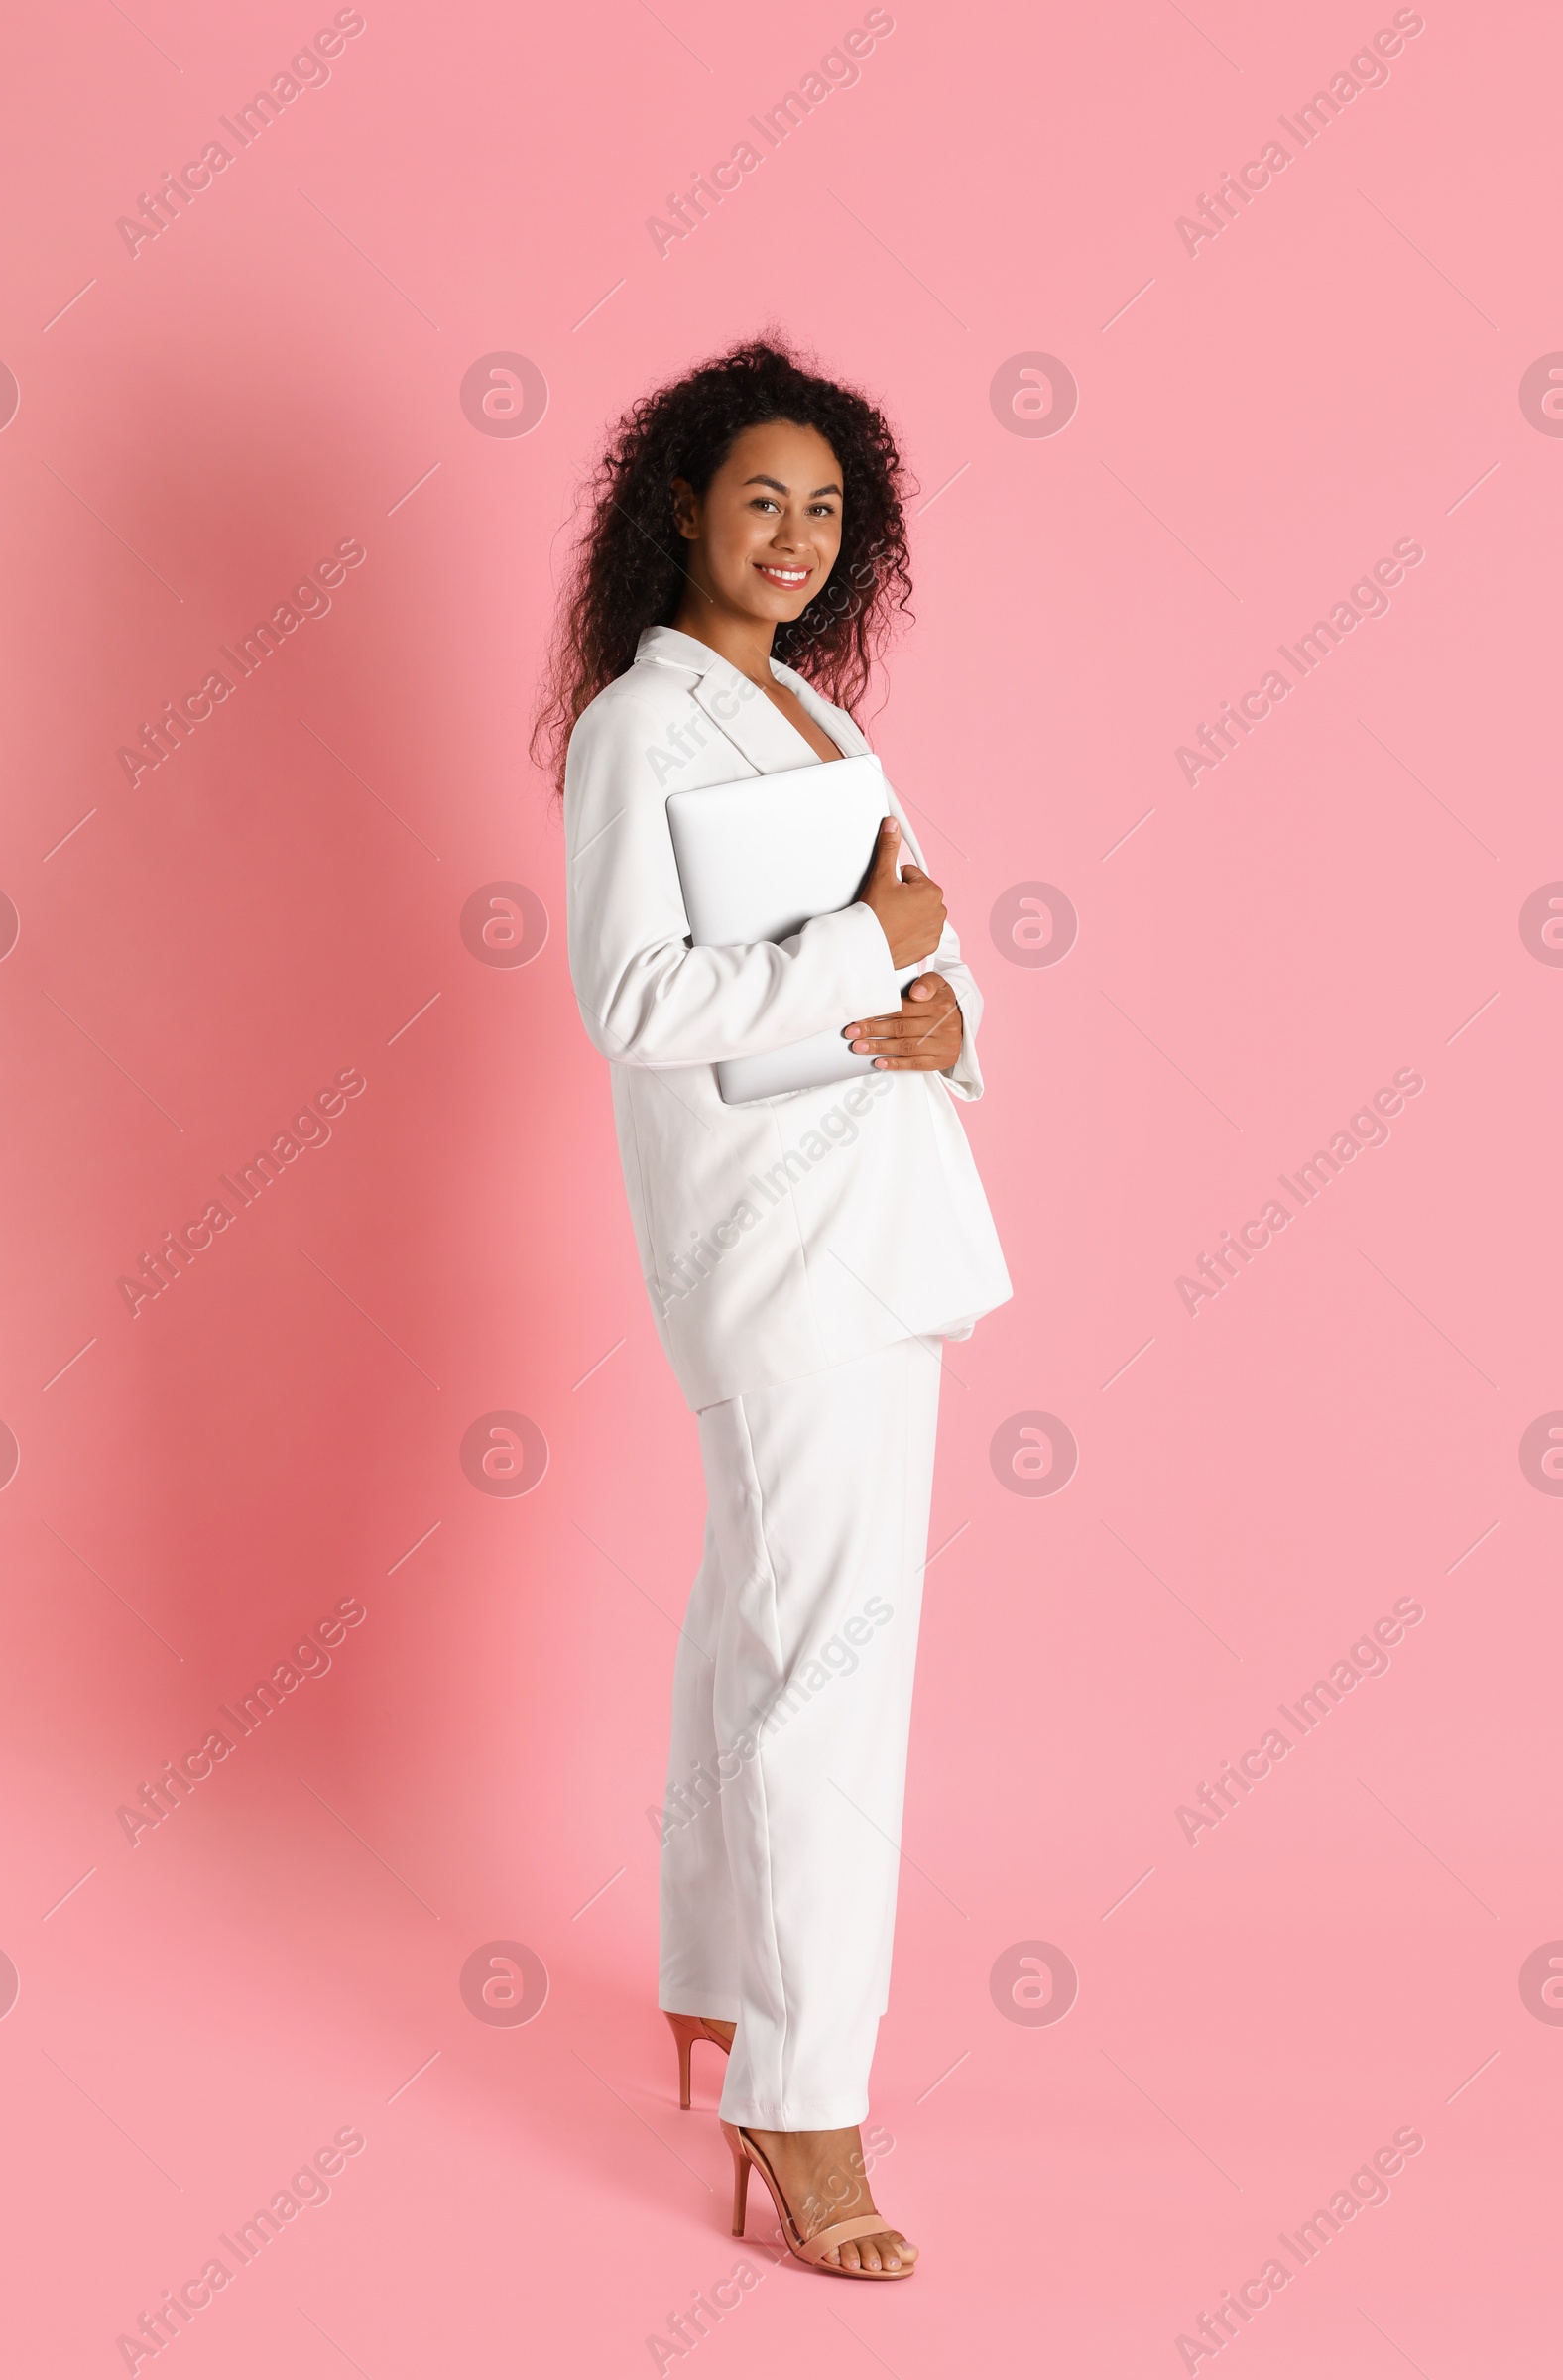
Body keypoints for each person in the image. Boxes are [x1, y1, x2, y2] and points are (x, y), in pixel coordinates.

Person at [535, 334, 1012, 2278]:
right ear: (679, 508)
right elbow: (633, 1004)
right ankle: (806, 2104)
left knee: (763, 1619)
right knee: (831, 1662)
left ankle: (716, 1982)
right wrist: (856, 956)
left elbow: (930, 952)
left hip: (880, 1219)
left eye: (825, 510)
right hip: (771, 1243)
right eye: (762, 500)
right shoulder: (637, 731)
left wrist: (930, 1014)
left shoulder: (819, 727)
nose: (796, 537)